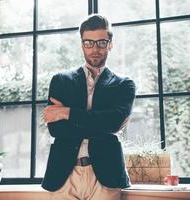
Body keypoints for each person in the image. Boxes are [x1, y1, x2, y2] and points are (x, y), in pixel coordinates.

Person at [41, 14, 136, 200]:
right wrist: (100, 122)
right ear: (81, 44)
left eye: (101, 42)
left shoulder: (125, 84)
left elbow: (113, 123)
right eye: (88, 43)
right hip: (64, 175)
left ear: (110, 44)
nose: (95, 49)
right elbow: (56, 129)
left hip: (106, 175)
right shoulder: (61, 80)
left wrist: (66, 112)